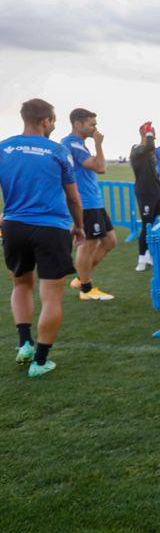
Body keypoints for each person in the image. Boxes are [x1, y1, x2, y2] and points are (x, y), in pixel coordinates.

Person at [1, 98, 84, 377]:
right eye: (54, 120)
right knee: (51, 297)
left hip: (14, 226)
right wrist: (80, 226)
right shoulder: (57, 150)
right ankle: (39, 361)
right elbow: (73, 196)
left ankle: (24, 343)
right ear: (46, 121)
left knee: (21, 285)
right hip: (51, 228)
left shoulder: (4, 148)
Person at [61, 108, 116, 300]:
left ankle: (80, 278)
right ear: (78, 124)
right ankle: (86, 289)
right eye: (91, 124)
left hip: (94, 201)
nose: (95, 128)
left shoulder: (79, 144)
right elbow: (101, 167)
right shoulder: (72, 144)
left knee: (110, 241)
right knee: (87, 244)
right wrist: (99, 145)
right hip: (85, 203)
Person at [130, 122, 160, 272]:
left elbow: (152, 171)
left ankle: (148, 255)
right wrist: (147, 132)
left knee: (152, 222)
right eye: (151, 133)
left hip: (156, 192)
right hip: (144, 193)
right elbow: (149, 146)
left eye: (153, 133)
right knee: (146, 224)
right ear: (144, 134)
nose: (153, 136)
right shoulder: (136, 149)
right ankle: (141, 258)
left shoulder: (150, 152)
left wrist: (159, 180)